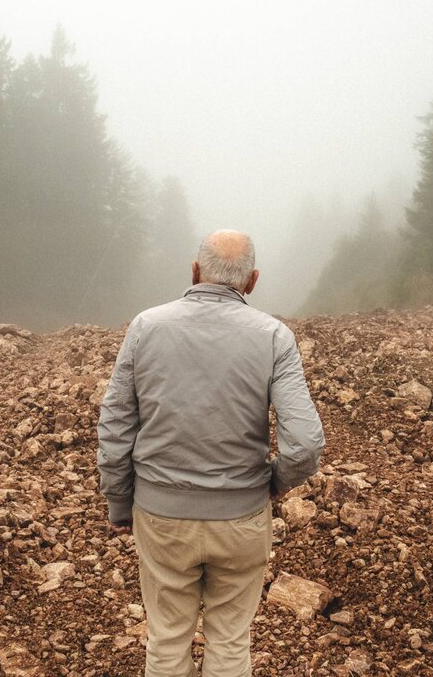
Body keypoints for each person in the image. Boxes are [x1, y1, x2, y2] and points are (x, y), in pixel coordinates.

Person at [97, 229, 325, 677]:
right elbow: (305, 443)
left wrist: (119, 501)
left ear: (195, 271)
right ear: (253, 280)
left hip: (161, 517)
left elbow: (116, 423)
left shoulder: (146, 326)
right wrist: (271, 485)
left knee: (165, 641)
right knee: (230, 644)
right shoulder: (274, 336)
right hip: (241, 520)